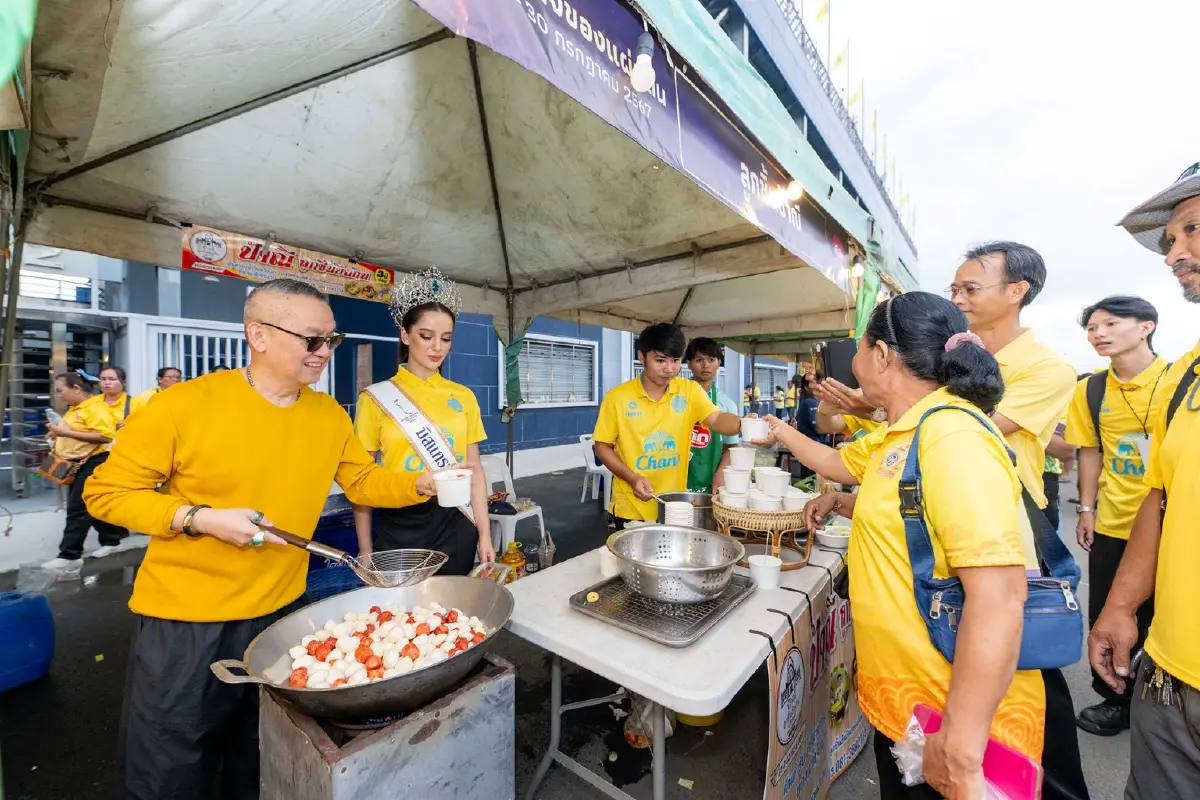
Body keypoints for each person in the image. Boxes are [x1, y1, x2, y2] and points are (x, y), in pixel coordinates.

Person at [83, 278, 447, 800]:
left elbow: (362, 481)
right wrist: (198, 518)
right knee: (170, 763)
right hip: (187, 621)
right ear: (258, 335)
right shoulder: (183, 406)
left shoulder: (326, 415)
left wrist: (419, 483)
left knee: (258, 752)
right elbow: (107, 492)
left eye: (332, 341)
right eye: (312, 340)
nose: (324, 353)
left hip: (282, 613)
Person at [758, 292, 1045, 798]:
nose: (856, 364)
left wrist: (960, 743)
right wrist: (782, 434)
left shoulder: (952, 435)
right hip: (909, 703)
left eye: (862, 349)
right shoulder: (906, 429)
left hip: (947, 719)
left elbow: (1000, 599)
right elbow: (844, 471)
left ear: (884, 356)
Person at [1090, 162, 1200, 798]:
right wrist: (1121, 608)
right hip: (1170, 677)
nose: (1174, 254)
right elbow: (1161, 496)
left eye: (1192, 230)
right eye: (1170, 241)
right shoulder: (1186, 377)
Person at [1066, 296, 1166, 737]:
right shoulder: (1090, 389)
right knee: (1109, 614)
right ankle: (1117, 700)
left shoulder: (1177, 380)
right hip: (1113, 524)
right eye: (1091, 327)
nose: (1098, 333)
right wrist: (1086, 509)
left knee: (1166, 615)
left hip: (1171, 524)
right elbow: (1090, 450)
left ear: (1146, 327)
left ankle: (1167, 706)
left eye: (1110, 323)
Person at [352, 268, 495, 573]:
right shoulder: (376, 398)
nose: (437, 347)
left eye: (446, 338)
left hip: (457, 519)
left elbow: (475, 470)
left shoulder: (464, 396)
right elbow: (361, 481)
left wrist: (485, 533)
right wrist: (365, 549)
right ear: (405, 335)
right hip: (400, 520)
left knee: (452, 610)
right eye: (426, 336)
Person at [593, 323, 743, 527]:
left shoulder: (689, 390)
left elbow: (716, 419)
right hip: (631, 506)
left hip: (675, 505)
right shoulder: (617, 398)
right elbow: (602, 446)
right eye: (660, 360)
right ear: (641, 357)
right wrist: (632, 478)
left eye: (675, 360)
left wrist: (742, 424)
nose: (669, 369)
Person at [39, 372, 129, 569]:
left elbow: (105, 436)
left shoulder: (94, 408)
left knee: (77, 508)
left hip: (95, 461)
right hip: (78, 461)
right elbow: (78, 432)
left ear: (76, 388)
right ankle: (112, 540)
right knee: (90, 504)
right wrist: (57, 434)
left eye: (60, 390)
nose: (59, 395)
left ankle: (70, 555)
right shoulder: (77, 408)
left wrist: (64, 432)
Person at [682, 337, 740, 493]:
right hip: (676, 477)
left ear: (718, 363)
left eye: (711, 359)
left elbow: (731, 445)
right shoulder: (676, 397)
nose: (705, 365)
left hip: (711, 479)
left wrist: (721, 472)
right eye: (699, 359)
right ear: (688, 363)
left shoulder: (726, 404)